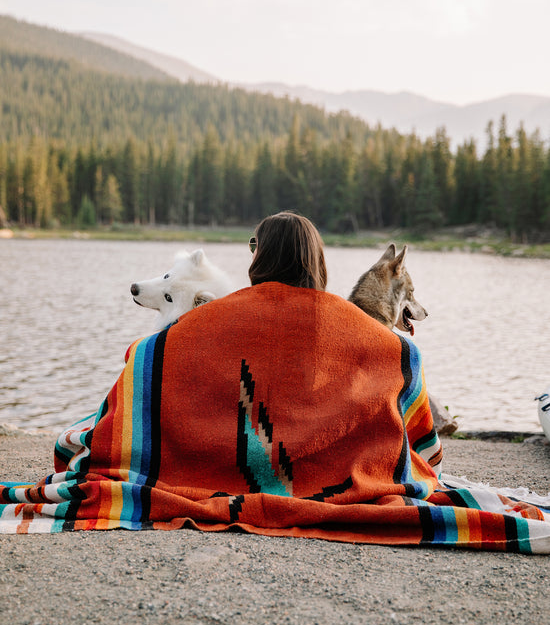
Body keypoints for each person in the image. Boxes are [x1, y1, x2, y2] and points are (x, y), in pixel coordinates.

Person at [2, 211, 446, 542]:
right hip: (343, 481)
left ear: (260, 257)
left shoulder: (210, 319)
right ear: (320, 261)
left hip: (206, 475)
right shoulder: (369, 335)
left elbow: (147, 362)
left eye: (254, 245)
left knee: (82, 434)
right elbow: (412, 403)